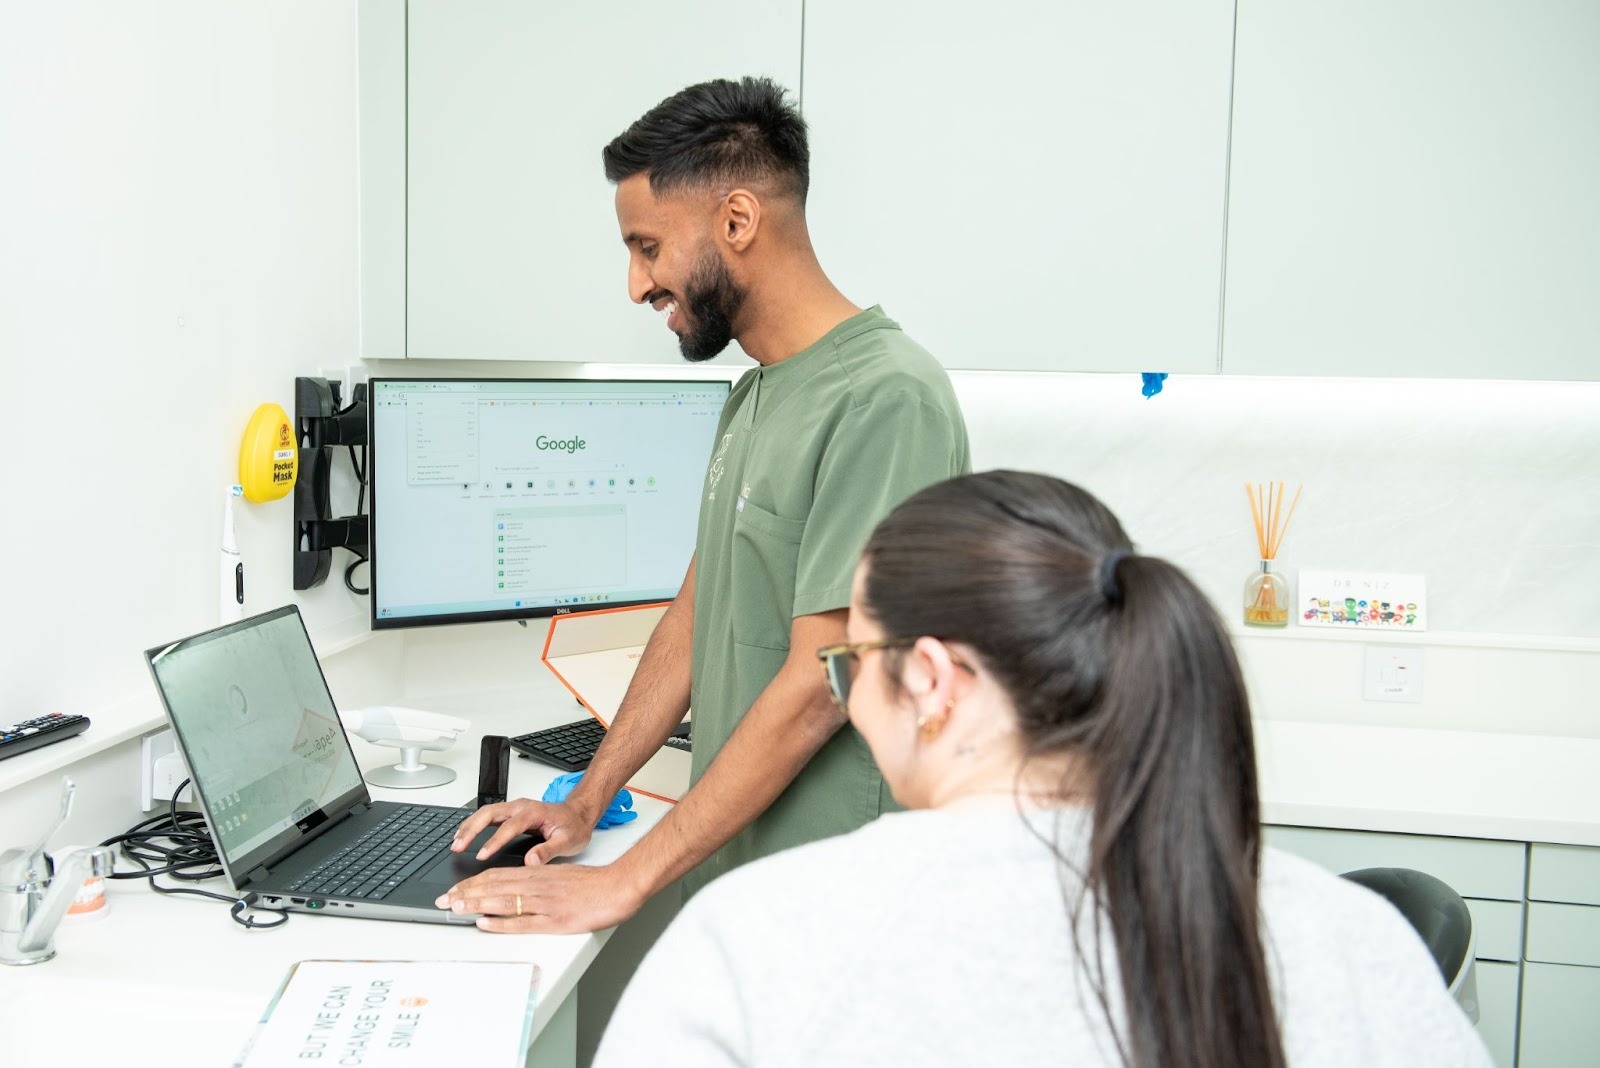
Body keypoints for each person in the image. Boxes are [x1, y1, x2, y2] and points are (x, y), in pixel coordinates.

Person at [591, 471, 1493, 1067]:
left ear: (934, 681)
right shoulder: (1354, 942)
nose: (851, 697)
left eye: (852, 664)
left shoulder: (756, 943)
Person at [435, 76, 970, 931]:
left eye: (647, 246)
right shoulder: (754, 395)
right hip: (746, 876)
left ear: (737, 220)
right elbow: (695, 616)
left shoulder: (887, 398)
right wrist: (587, 799)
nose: (635, 283)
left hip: (838, 890)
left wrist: (625, 879)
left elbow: (822, 683)